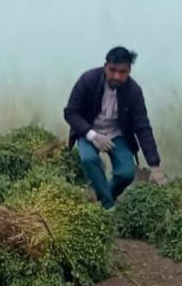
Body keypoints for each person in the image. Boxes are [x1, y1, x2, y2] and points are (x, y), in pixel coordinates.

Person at [64, 46, 167, 208]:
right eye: (112, 70)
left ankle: (99, 201)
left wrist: (154, 165)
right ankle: (107, 207)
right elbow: (71, 113)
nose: (117, 76)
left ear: (129, 71)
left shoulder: (134, 91)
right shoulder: (88, 80)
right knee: (89, 159)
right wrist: (92, 135)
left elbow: (142, 127)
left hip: (117, 134)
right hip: (89, 131)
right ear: (105, 66)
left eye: (122, 72)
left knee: (126, 174)